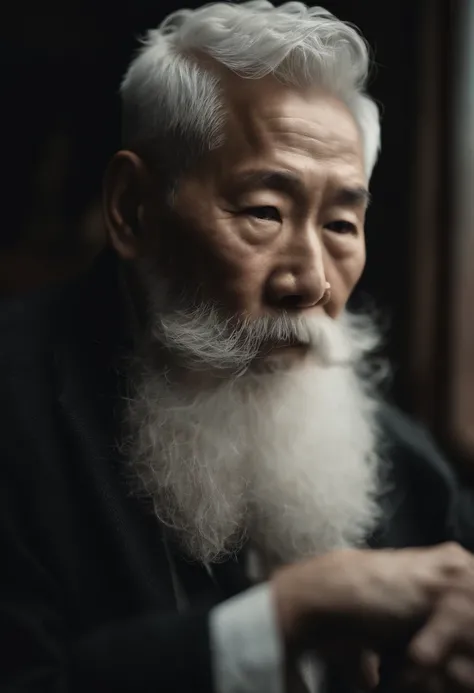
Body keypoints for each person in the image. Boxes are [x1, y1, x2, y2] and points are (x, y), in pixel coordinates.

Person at [2, 3, 474, 692]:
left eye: (341, 223)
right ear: (133, 208)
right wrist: (282, 616)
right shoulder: (17, 415)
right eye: (264, 212)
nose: (310, 281)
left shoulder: (411, 467)